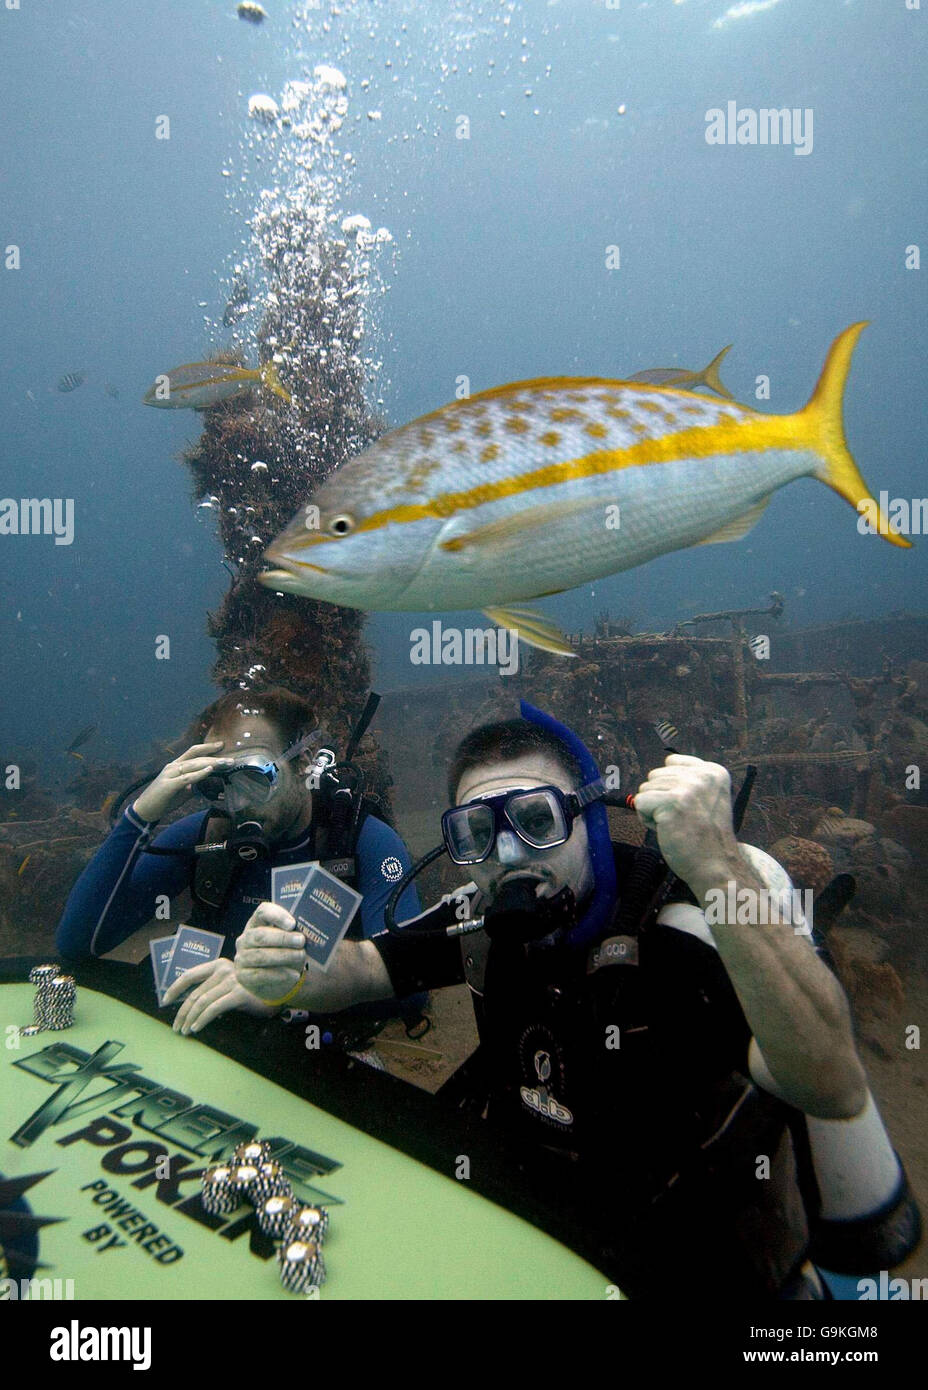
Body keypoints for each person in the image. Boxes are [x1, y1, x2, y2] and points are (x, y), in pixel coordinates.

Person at [223, 702, 921, 1298]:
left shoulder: (684, 924)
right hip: (546, 1233)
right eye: (475, 832)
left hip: (710, 1264)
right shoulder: (480, 921)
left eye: (535, 818)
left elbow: (829, 1081)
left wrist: (718, 865)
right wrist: (282, 973)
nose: (508, 853)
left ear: (587, 820)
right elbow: (361, 967)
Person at [56, 687, 423, 1037]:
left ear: (302, 763)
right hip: (205, 1035)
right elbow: (79, 944)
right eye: (218, 783)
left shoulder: (360, 841)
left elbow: (413, 985)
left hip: (306, 1049)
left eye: (253, 777)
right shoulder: (206, 834)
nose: (237, 803)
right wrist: (140, 816)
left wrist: (282, 992)